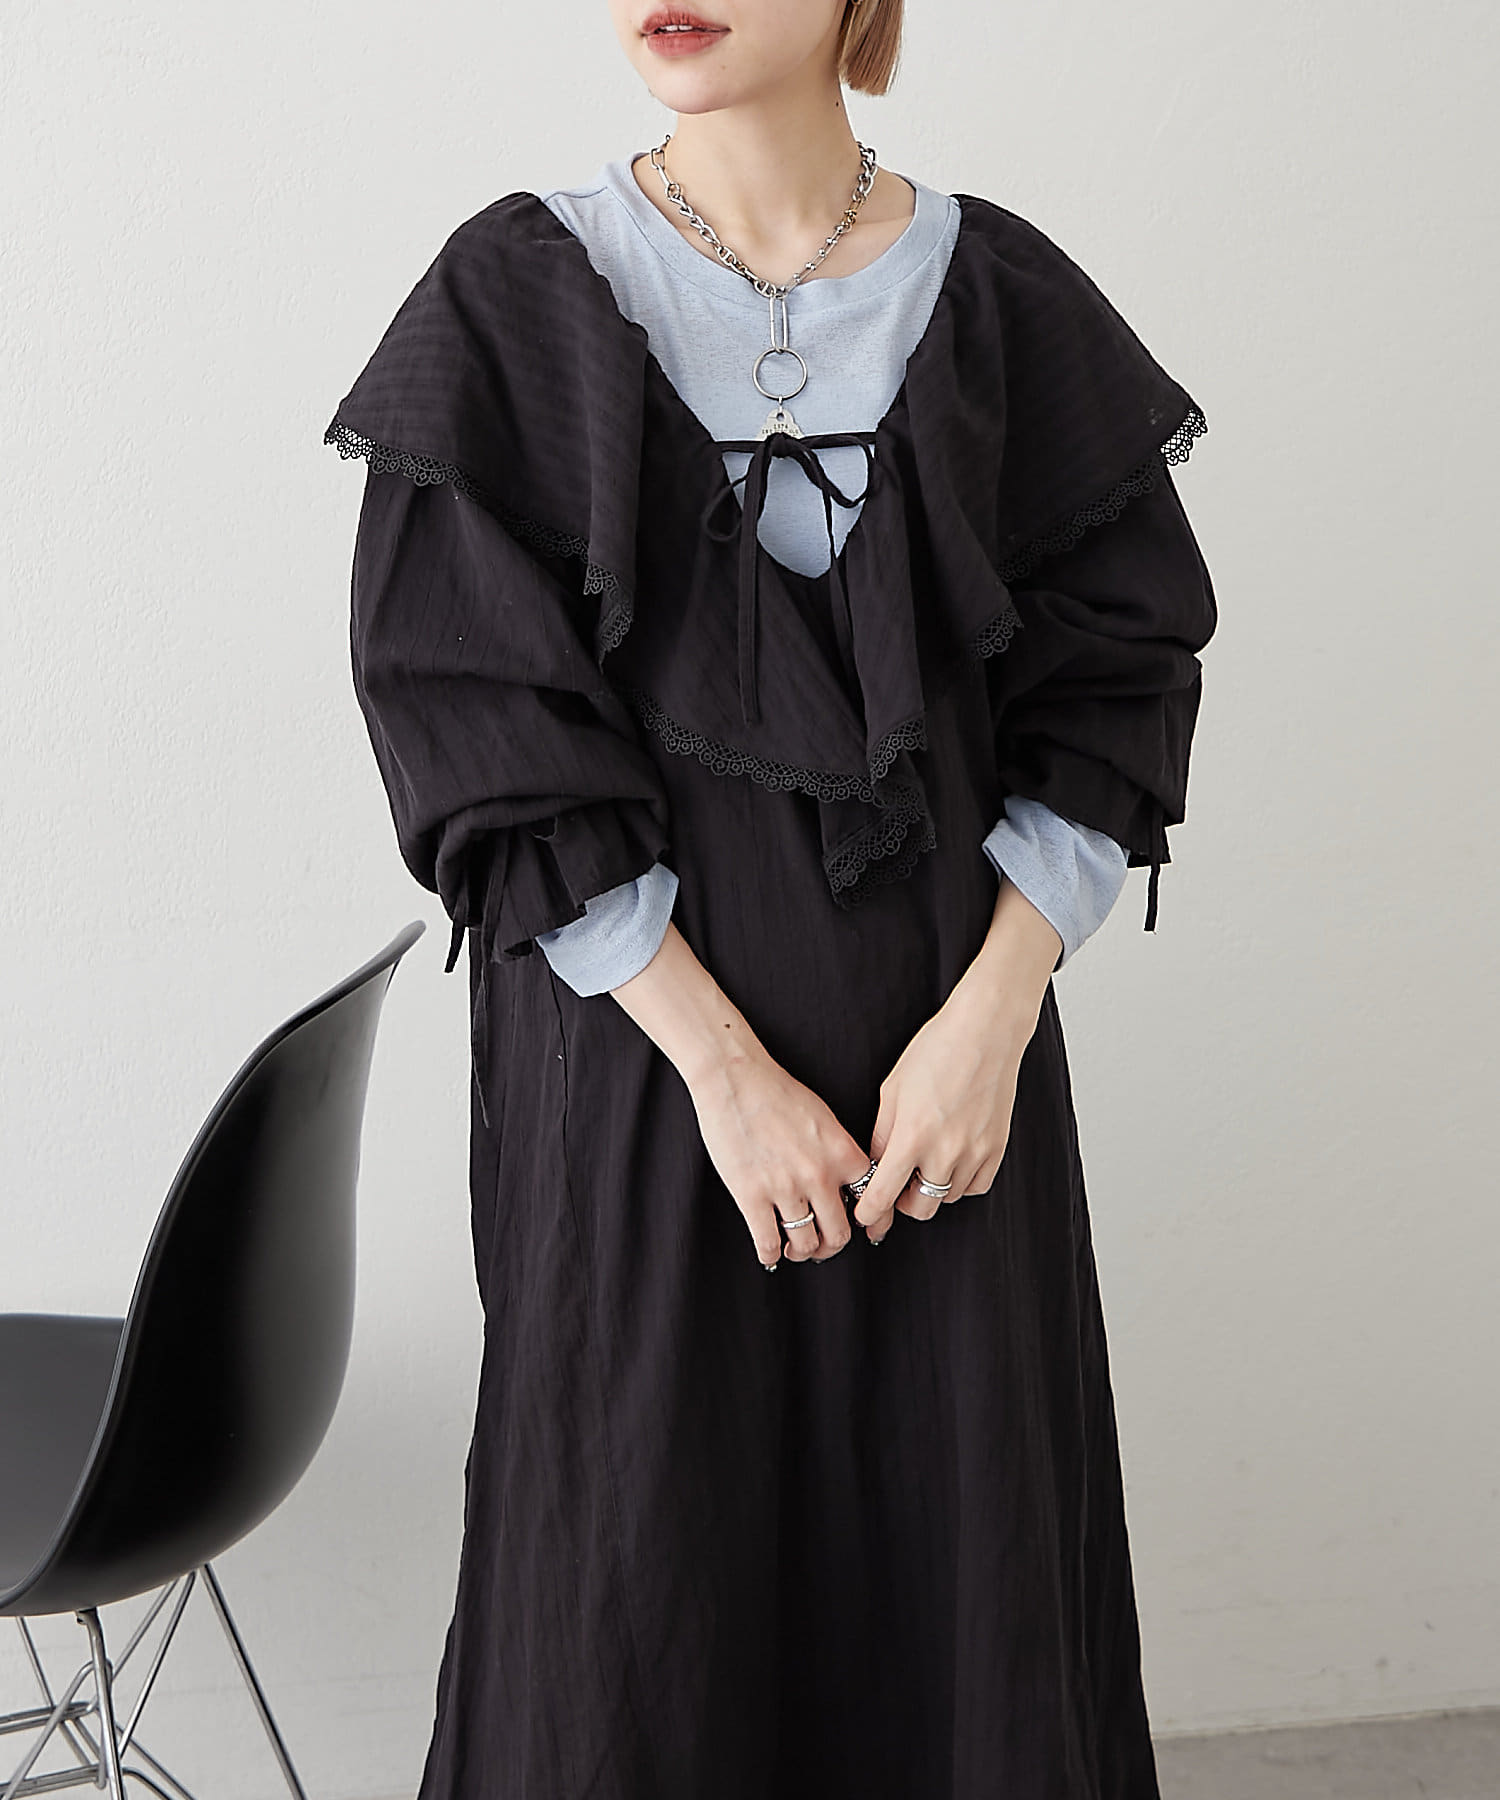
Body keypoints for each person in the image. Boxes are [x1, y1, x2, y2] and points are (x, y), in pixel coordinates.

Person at [322, 3, 1217, 1794]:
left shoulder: (1000, 301)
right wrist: (726, 1076)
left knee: (962, 1575)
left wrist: (991, 1022)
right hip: (641, 1096)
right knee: (636, 1606)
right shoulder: (513, 304)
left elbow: (1114, 694)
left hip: (948, 1103)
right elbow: (476, 733)